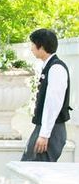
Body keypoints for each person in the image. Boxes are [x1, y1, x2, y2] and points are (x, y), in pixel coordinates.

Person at [22, 28, 71, 162]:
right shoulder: (49, 66)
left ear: (41, 46)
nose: (31, 48)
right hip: (46, 127)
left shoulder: (56, 68)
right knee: (28, 166)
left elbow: (53, 103)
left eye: (33, 44)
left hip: (52, 129)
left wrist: (44, 134)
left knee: (33, 168)